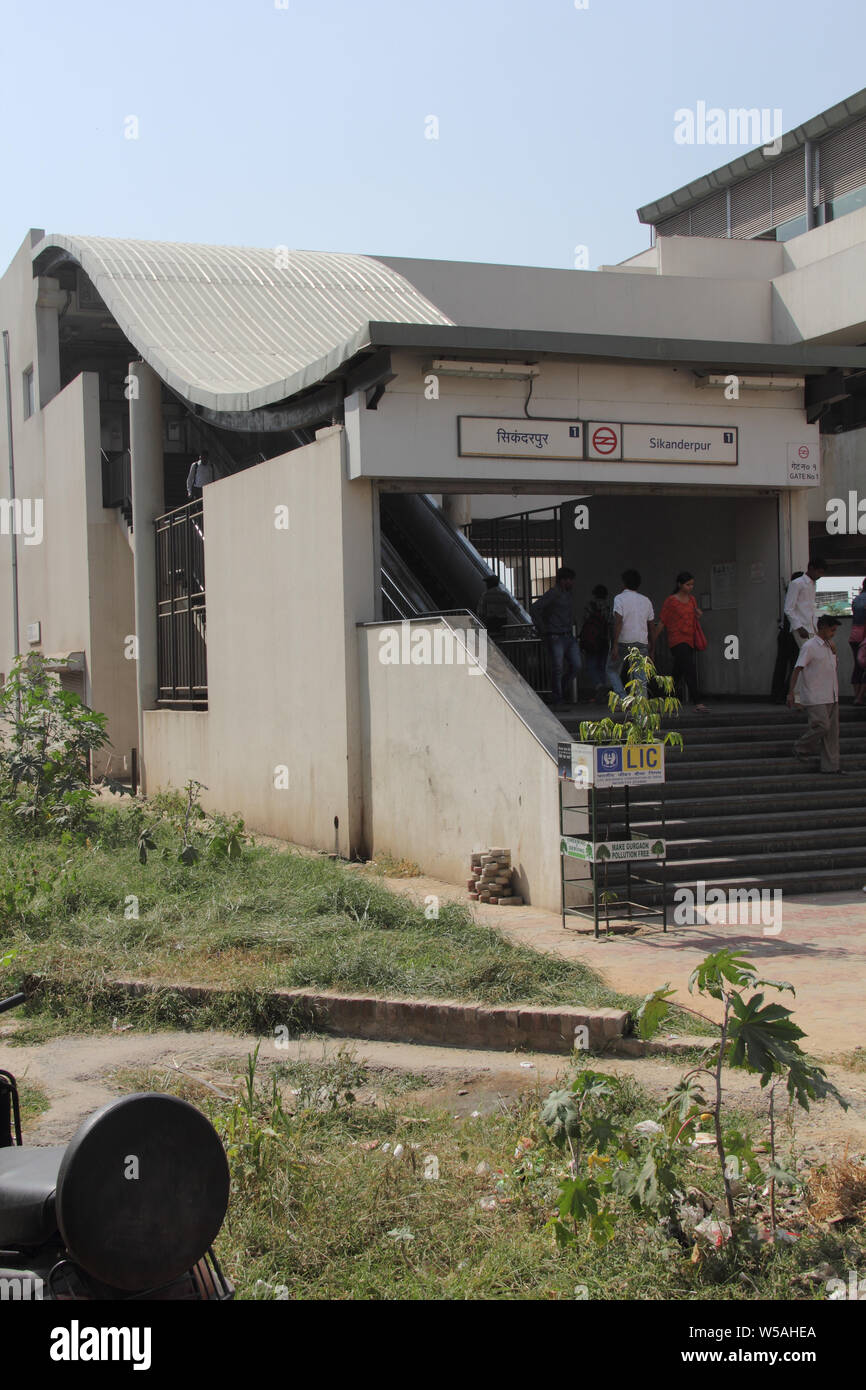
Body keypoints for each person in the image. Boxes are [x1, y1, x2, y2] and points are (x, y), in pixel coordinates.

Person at [787, 614, 843, 773]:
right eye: (832, 630)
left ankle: (831, 766)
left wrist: (835, 652)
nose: (834, 633)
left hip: (831, 694)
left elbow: (833, 669)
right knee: (822, 726)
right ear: (823, 627)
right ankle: (801, 746)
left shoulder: (830, 646)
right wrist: (792, 693)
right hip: (815, 696)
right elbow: (797, 669)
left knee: (832, 733)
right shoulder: (809, 646)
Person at [653, 571, 709, 711]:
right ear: (680, 584)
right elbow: (662, 622)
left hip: (689, 639)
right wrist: (652, 640)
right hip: (677, 640)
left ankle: (661, 698)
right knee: (690, 669)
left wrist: (699, 614)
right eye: (688, 584)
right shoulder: (671, 601)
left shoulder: (692, 600)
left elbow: (694, 616)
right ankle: (698, 702)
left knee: (677, 673)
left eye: (692, 584)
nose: (690, 587)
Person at [531, 566, 580, 708]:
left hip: (568, 635)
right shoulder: (553, 594)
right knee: (557, 668)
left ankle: (557, 693)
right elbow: (535, 608)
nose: (572, 583)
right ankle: (558, 698)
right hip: (555, 636)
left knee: (576, 665)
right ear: (564, 580)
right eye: (570, 580)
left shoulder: (568, 594)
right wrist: (543, 628)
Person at [579, 584, 625, 701]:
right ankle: (604, 690)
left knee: (591, 666)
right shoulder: (608, 607)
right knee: (603, 666)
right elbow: (611, 624)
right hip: (603, 640)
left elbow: (585, 622)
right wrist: (613, 640)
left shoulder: (589, 606)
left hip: (591, 641)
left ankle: (599, 686)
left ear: (594, 593)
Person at [611, 569, 655, 690]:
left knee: (612, 670)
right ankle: (641, 705)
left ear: (623, 583)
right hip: (641, 642)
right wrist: (652, 648)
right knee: (641, 678)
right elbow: (652, 627)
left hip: (624, 642)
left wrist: (614, 645)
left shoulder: (619, 598)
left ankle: (624, 699)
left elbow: (618, 622)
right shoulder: (646, 600)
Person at [770, 571, 802, 703]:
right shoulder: (798, 594)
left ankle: (777, 695)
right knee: (796, 665)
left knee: (781, 665)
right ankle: (789, 694)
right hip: (793, 633)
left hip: (784, 633)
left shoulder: (788, 592)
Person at [784, 557, 828, 649]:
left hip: (812, 627)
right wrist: (798, 627)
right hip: (802, 626)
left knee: (812, 656)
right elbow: (788, 608)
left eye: (822, 573)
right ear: (811, 568)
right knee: (809, 655)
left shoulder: (813, 584)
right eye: (819, 572)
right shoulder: (797, 583)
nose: (820, 576)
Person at [476, 574, 510, 640]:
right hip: (503, 621)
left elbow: (481, 612)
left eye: (487, 583)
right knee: (502, 638)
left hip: (491, 621)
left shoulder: (486, 595)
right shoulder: (504, 595)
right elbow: (515, 608)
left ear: (490, 584)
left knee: (491, 640)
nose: (486, 585)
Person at [850, 577, 866, 707]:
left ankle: (857, 696)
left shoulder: (856, 599)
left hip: (854, 636)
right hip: (865, 636)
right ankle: (860, 697)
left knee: (858, 666)